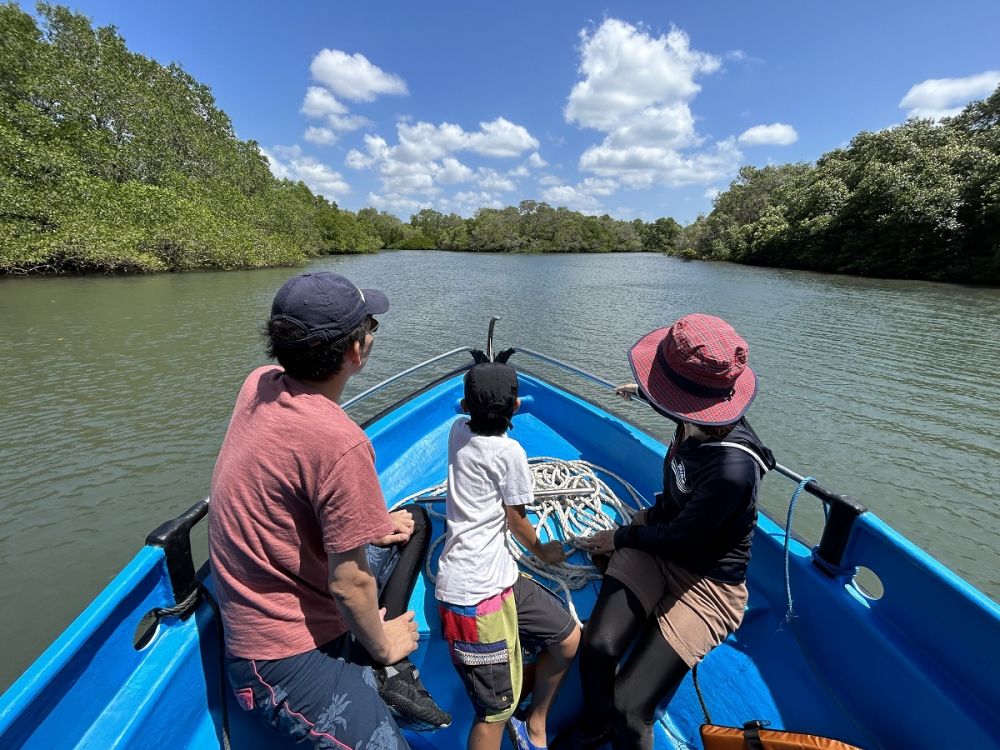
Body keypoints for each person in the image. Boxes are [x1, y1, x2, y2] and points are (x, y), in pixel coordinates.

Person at [208, 271, 450, 750]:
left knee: (414, 524)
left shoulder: (258, 381)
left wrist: (371, 525)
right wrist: (383, 643)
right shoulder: (341, 444)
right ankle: (382, 657)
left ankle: (380, 662)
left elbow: (291, 483)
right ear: (356, 352)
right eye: (369, 327)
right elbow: (348, 582)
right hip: (277, 654)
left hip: (307, 593)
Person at [556, 313, 774, 750]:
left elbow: (682, 540)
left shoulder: (733, 469)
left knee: (630, 708)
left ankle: (614, 724)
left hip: (707, 581)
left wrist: (617, 538)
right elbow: (673, 403)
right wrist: (641, 393)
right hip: (659, 538)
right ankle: (594, 726)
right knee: (597, 648)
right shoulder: (697, 414)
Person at [436, 360, 582, 750]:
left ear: (465, 405)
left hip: (500, 578)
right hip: (473, 601)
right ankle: (509, 707)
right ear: (517, 407)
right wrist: (543, 550)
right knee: (493, 715)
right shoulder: (510, 453)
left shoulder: (456, 431)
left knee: (568, 639)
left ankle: (535, 722)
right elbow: (517, 521)